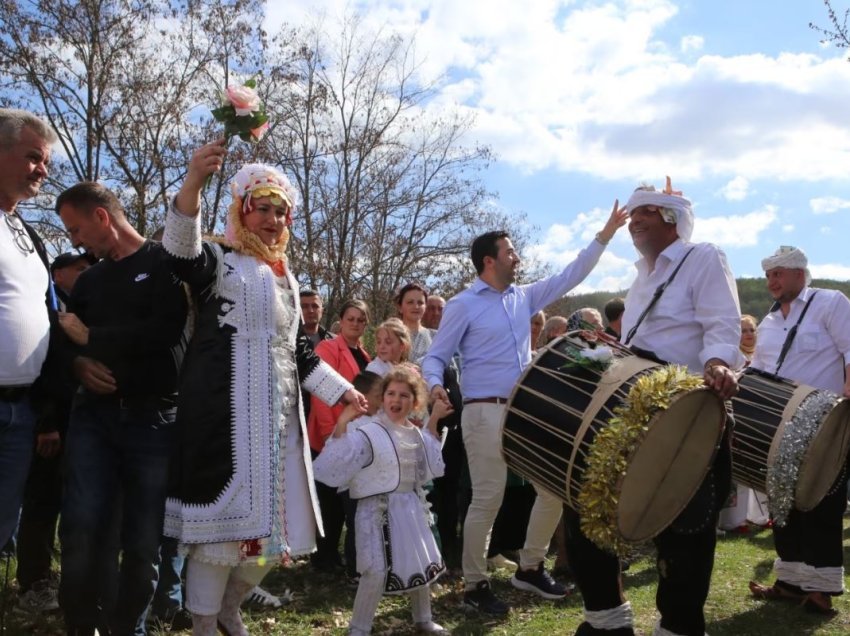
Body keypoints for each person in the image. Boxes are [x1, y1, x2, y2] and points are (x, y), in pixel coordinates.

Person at [160, 142, 366, 635]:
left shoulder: (286, 279)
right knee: (219, 541)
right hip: (223, 425)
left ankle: (231, 609)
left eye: (281, 212)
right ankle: (205, 625)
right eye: (263, 210)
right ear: (241, 211)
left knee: (279, 534)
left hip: (278, 429)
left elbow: (300, 355)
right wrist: (193, 182)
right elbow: (177, 250)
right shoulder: (217, 260)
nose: (274, 220)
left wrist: (345, 392)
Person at [422, 203, 627, 616]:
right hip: (482, 413)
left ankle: (530, 567)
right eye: (510, 252)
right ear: (489, 260)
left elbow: (573, 273)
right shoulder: (463, 304)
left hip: (522, 411)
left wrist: (604, 234)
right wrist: (434, 388)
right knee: (488, 498)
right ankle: (476, 584)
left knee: (553, 488)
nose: (517, 258)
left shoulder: (524, 296)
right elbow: (436, 357)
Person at [563, 179, 742, 636]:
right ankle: (607, 618)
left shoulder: (703, 256)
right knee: (585, 503)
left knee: (686, 524)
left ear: (671, 219)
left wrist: (719, 359)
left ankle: (679, 626)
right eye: (633, 214)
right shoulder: (642, 277)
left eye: (644, 212)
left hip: (685, 405)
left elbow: (721, 322)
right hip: (631, 396)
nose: (633, 221)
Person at [56, 181, 190, 636]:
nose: (75, 240)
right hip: (94, 418)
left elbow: (165, 336)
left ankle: (127, 627)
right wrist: (78, 364)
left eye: (76, 228)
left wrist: (93, 341)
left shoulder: (164, 264)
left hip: (153, 421)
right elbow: (64, 340)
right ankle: (80, 625)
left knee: (142, 541)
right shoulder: (90, 280)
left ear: (101, 217)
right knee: (80, 526)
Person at [747, 246, 850, 615]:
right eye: (769, 276)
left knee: (822, 502)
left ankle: (822, 590)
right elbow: (757, 370)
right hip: (777, 423)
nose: (772, 282)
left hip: (824, 422)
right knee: (783, 504)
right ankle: (790, 581)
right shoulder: (769, 322)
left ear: (800, 274)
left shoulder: (829, 302)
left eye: (779, 273)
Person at [314, 366, 452, 636]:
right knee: (375, 570)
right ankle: (359, 627)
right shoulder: (368, 431)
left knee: (418, 562)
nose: (396, 400)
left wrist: (434, 420)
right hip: (374, 511)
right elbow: (338, 460)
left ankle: (423, 618)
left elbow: (430, 468)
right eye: (391, 393)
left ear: (414, 402)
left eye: (404, 395)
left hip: (409, 508)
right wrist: (342, 422)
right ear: (382, 397)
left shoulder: (414, 433)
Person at [16, 251, 93, 614]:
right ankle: (33, 582)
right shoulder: (45, 313)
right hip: (47, 423)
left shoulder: (83, 310)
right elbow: (44, 370)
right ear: (57, 274)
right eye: (79, 269)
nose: (86, 274)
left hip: (79, 422)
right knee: (41, 503)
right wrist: (46, 423)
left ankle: (58, 577)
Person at [0, 109, 56, 555]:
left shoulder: (28, 235)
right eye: (34, 157)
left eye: (46, 163)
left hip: (22, 412)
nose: (42, 169)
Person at [308, 299, 372, 573]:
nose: (355, 324)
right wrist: (326, 435)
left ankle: (335, 556)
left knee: (342, 499)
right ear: (341, 321)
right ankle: (323, 558)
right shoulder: (328, 347)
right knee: (328, 501)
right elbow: (321, 394)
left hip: (353, 439)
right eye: (351, 318)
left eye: (360, 320)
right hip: (328, 434)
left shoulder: (366, 356)